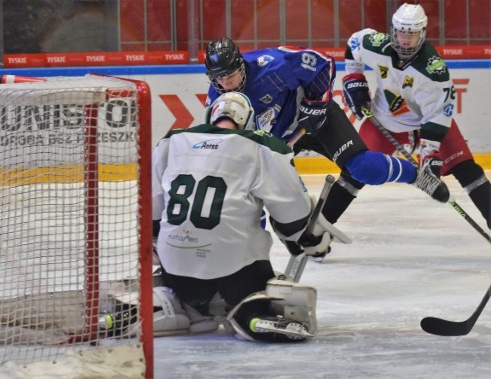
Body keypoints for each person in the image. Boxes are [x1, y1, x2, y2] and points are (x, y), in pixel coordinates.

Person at [203, 36, 450, 261]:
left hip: (317, 119)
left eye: (231, 75)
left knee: (363, 168)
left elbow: (322, 63)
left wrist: (316, 105)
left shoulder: (272, 66)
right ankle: (253, 257)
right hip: (281, 142)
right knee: (275, 215)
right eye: (220, 78)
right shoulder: (218, 99)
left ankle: (417, 176)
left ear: (241, 65)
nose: (227, 83)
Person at [150, 92, 340, 342]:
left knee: (173, 261)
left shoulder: (172, 140)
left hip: (174, 266)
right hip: (233, 272)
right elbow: (293, 215)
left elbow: (151, 209)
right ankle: (250, 312)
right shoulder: (263, 146)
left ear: (211, 116)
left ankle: (175, 305)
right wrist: (312, 239)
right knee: (255, 286)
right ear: (249, 120)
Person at [342, 2, 490, 229]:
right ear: (393, 31)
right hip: (385, 121)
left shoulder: (433, 70)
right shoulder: (376, 45)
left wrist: (429, 155)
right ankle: (314, 234)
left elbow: (438, 114)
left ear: (422, 34)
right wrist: (354, 80)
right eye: (401, 33)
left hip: (428, 125)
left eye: (411, 35)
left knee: (467, 169)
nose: (405, 40)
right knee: (354, 171)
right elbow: (354, 44)